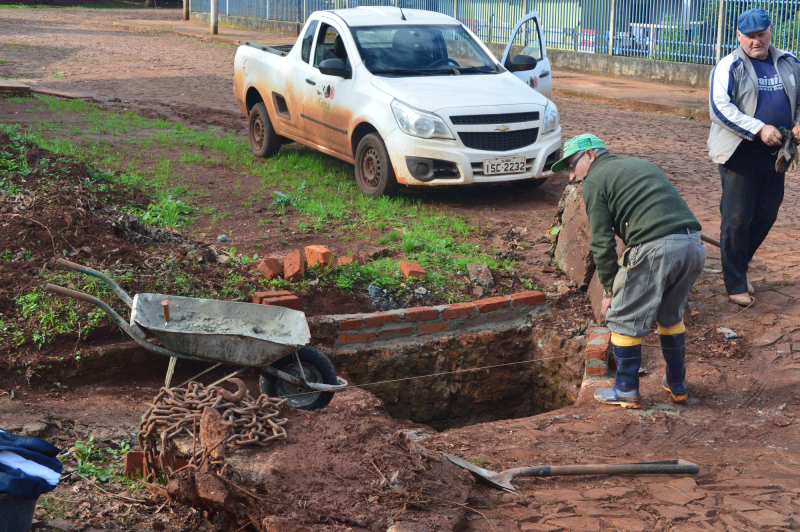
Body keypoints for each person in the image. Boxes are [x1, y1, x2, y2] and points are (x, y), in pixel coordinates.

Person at [551, 134, 706, 409]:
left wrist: (610, 290)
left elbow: (601, 241)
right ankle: (677, 383)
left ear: (590, 155)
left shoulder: (595, 180)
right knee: (670, 314)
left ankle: (625, 389)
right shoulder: (642, 165)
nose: (571, 175)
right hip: (693, 244)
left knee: (622, 316)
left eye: (572, 166)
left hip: (657, 248)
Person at [708, 8, 800, 306]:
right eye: (749, 37)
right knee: (736, 219)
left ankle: (738, 265)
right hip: (741, 154)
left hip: (776, 155)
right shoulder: (729, 65)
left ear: (770, 31)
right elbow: (720, 107)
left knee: (767, 214)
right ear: (739, 36)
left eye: (761, 35)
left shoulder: (789, 62)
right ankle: (735, 283)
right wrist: (758, 128)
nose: (756, 41)